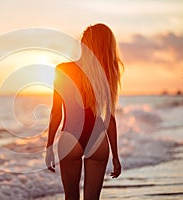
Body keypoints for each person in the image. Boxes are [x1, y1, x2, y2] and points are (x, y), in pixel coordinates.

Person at [45, 23, 123, 200]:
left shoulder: (62, 69)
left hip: (70, 138)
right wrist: (116, 156)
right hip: (98, 140)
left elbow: (56, 113)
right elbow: (110, 119)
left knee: (70, 197)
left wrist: (49, 146)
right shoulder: (108, 73)